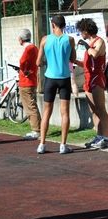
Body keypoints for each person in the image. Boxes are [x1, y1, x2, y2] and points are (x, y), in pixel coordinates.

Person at [36, 14, 76, 154]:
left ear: (53, 25)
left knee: (47, 112)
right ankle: (63, 145)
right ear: (64, 25)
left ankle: (42, 144)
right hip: (64, 78)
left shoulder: (45, 40)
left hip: (50, 79)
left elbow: (37, 63)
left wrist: (47, 61)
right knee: (65, 113)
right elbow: (73, 59)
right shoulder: (70, 40)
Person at [75, 18, 108, 148]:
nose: (80, 34)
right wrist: (76, 62)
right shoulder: (89, 44)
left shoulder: (99, 41)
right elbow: (88, 64)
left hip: (97, 77)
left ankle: (106, 137)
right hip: (88, 77)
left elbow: (94, 54)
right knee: (93, 110)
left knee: (101, 109)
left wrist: (86, 45)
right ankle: (99, 136)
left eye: (81, 31)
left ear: (86, 30)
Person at [18, 29, 41, 141]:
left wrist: (23, 70)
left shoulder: (28, 48)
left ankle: (36, 130)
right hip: (32, 80)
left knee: (29, 106)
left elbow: (22, 62)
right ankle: (38, 128)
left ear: (21, 39)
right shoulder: (35, 48)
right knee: (32, 104)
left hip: (26, 81)